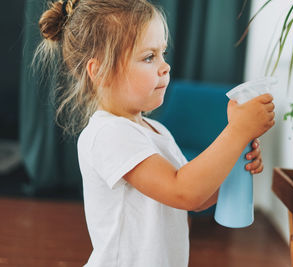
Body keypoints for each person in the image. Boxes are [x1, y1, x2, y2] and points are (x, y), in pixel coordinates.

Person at [36, 0, 275, 266]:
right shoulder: (108, 134)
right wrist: (236, 132)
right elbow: (183, 190)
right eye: (149, 57)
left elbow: (197, 199)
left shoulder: (157, 131)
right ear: (100, 71)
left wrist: (233, 165)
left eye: (162, 53)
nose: (165, 66)